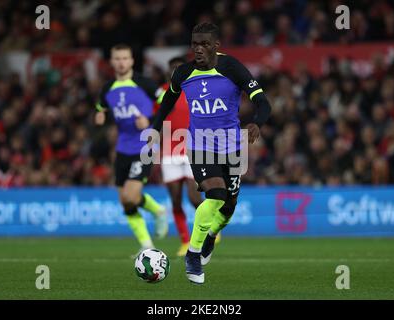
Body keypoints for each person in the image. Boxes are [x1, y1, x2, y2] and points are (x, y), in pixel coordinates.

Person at [151, 23, 271, 284]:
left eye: (204, 44)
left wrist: (256, 123)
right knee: (215, 195)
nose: (199, 49)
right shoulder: (182, 73)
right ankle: (193, 255)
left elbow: (262, 101)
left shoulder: (232, 68)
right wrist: (154, 129)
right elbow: (167, 103)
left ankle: (210, 237)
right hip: (200, 144)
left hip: (232, 146)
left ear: (216, 45)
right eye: (195, 44)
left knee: (228, 209)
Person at [95, 44, 168, 256]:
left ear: (132, 61)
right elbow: (100, 107)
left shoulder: (144, 83)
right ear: (111, 62)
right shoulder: (107, 88)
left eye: (125, 58)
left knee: (130, 195)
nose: (121, 62)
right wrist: (100, 115)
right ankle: (147, 245)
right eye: (117, 58)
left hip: (145, 145)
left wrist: (151, 119)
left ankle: (158, 211)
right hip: (122, 148)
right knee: (126, 201)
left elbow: (167, 101)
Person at [156, 56, 204, 257]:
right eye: (171, 69)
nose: (174, 72)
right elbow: (157, 121)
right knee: (175, 200)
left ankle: (208, 228)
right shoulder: (161, 93)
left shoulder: (196, 89)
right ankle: (185, 241)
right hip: (169, 153)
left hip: (191, 150)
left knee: (194, 196)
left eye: (178, 68)